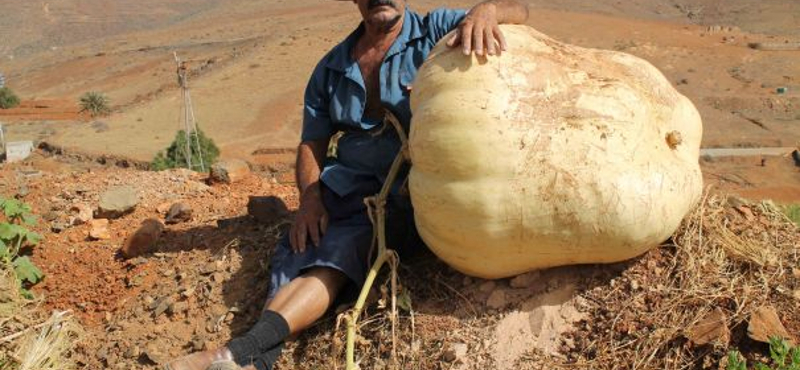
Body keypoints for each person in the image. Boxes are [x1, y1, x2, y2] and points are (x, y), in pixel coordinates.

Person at [167, 0, 528, 369]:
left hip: (402, 195)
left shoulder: (436, 30)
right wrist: (309, 198)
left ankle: (232, 355)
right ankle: (257, 360)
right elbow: (312, 143)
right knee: (294, 255)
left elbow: (521, 9)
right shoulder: (333, 66)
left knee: (339, 253)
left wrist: (486, 10)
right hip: (343, 188)